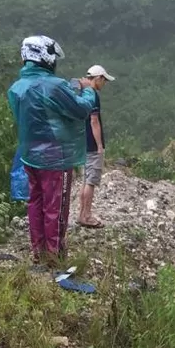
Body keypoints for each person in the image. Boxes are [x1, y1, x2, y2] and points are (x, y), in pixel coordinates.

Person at [8, 35, 97, 265]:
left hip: (30, 156)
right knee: (55, 207)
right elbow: (80, 110)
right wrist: (88, 90)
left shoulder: (18, 87)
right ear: (46, 57)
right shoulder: (54, 86)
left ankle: (39, 253)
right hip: (56, 159)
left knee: (35, 203)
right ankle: (55, 257)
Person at [77, 65, 115, 229]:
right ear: (98, 78)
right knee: (91, 181)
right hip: (92, 144)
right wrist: (99, 146)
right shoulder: (93, 95)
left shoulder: (82, 93)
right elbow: (94, 121)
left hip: (81, 143)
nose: (104, 84)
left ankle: (81, 214)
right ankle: (86, 215)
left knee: (85, 180)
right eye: (104, 80)